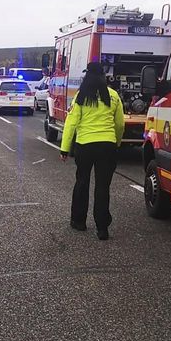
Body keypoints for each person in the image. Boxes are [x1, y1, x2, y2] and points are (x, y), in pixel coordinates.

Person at [59, 61, 125, 240]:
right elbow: (119, 124)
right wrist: (116, 143)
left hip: (85, 145)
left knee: (82, 182)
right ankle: (102, 227)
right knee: (103, 187)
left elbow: (71, 123)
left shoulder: (81, 96)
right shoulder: (113, 96)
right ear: (103, 76)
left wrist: (64, 148)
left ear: (87, 75)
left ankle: (78, 221)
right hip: (107, 145)